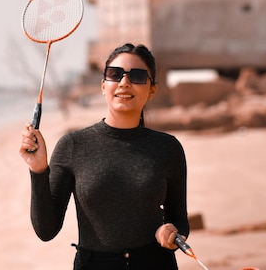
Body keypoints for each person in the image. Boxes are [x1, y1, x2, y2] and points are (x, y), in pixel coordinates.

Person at [19, 43, 189, 270]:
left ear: (152, 90)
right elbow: (45, 230)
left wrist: (173, 233)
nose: (124, 82)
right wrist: (38, 170)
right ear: (103, 85)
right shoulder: (72, 146)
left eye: (137, 76)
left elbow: (179, 219)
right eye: (114, 74)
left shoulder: (168, 148)